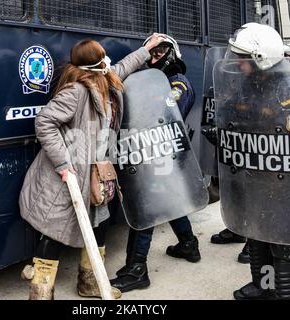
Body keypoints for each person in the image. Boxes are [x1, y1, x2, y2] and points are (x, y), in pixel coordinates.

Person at [18, 34, 166, 300]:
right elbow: (44, 123)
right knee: (56, 232)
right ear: (94, 64)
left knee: (99, 225)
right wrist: (64, 163)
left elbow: (123, 67)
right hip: (69, 175)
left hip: (98, 172)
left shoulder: (106, 80)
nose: (107, 61)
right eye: (102, 56)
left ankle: (90, 283)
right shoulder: (76, 92)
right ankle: (41, 292)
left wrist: (146, 51)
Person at [214, 23, 290, 300]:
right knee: (255, 232)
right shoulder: (249, 83)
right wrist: (223, 132)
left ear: (261, 59)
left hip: (280, 181)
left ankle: (286, 292)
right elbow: (231, 112)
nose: (237, 63)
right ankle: (262, 285)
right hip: (252, 175)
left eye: (242, 58)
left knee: (281, 241)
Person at [110, 35, 201, 293]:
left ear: (172, 54)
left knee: (147, 208)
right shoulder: (153, 82)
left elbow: (167, 113)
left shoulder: (177, 83)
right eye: (152, 53)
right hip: (155, 153)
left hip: (162, 152)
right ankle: (188, 244)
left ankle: (137, 269)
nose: (154, 58)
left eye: (160, 53)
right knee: (169, 199)